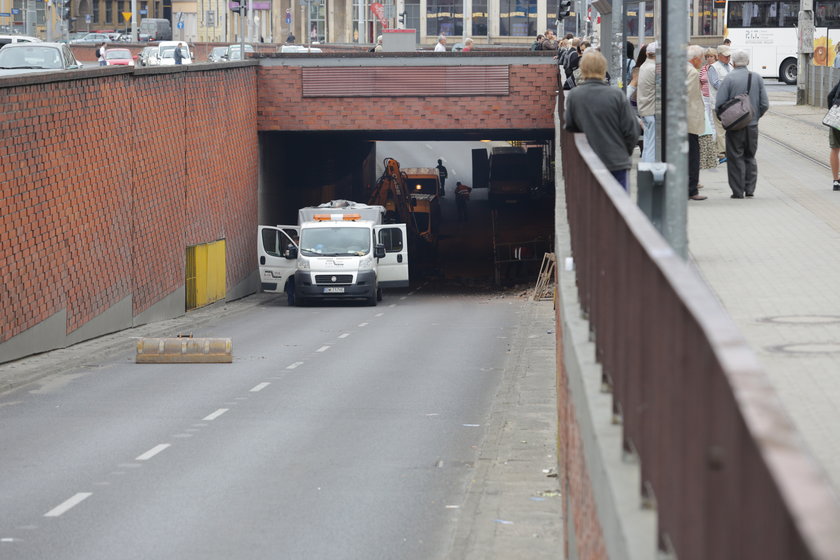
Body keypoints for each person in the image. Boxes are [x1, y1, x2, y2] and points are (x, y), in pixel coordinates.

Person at [564, 50, 640, 191]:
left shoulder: (575, 95)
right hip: (617, 161)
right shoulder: (616, 95)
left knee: (593, 207)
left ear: (583, 69)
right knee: (619, 205)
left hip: (589, 162)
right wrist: (624, 151)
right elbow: (632, 130)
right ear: (603, 69)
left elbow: (570, 125)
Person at [715, 50, 769, 198]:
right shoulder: (757, 78)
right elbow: (765, 104)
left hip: (734, 126)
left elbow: (719, 104)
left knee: (735, 157)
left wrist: (726, 120)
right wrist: (755, 117)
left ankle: (738, 192)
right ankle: (750, 189)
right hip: (752, 125)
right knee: (750, 156)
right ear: (748, 62)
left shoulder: (728, 78)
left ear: (733, 62)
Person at [686, 45, 708, 201]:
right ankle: (692, 190)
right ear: (695, 59)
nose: (703, 62)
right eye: (701, 59)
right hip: (689, 119)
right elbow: (688, 96)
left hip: (681, 120)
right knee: (693, 155)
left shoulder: (680, 68)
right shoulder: (692, 72)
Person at [707, 45, 733, 163]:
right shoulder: (713, 67)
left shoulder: (730, 66)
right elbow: (715, 83)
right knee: (720, 128)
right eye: (726, 56)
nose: (728, 57)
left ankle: (723, 150)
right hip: (718, 103)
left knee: (727, 128)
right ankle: (721, 153)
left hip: (730, 103)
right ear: (719, 56)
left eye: (729, 55)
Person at [637, 41, 657, 162]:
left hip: (645, 109)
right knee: (652, 145)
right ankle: (649, 171)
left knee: (648, 143)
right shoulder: (655, 68)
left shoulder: (644, 66)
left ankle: (645, 167)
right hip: (652, 110)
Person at [827, 78, 840, 190]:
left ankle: (836, 181)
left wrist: (832, 113)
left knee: (835, 148)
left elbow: (830, 96)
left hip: (836, 117)